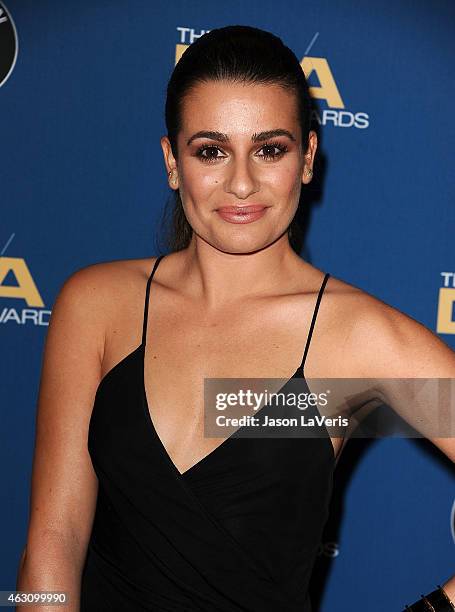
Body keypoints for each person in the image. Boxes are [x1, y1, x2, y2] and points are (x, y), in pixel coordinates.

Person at [16, 25, 455, 612]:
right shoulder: (96, 304)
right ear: (173, 161)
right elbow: (53, 541)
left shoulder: (357, 339)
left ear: (308, 158)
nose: (241, 182)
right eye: (211, 150)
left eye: (270, 149)